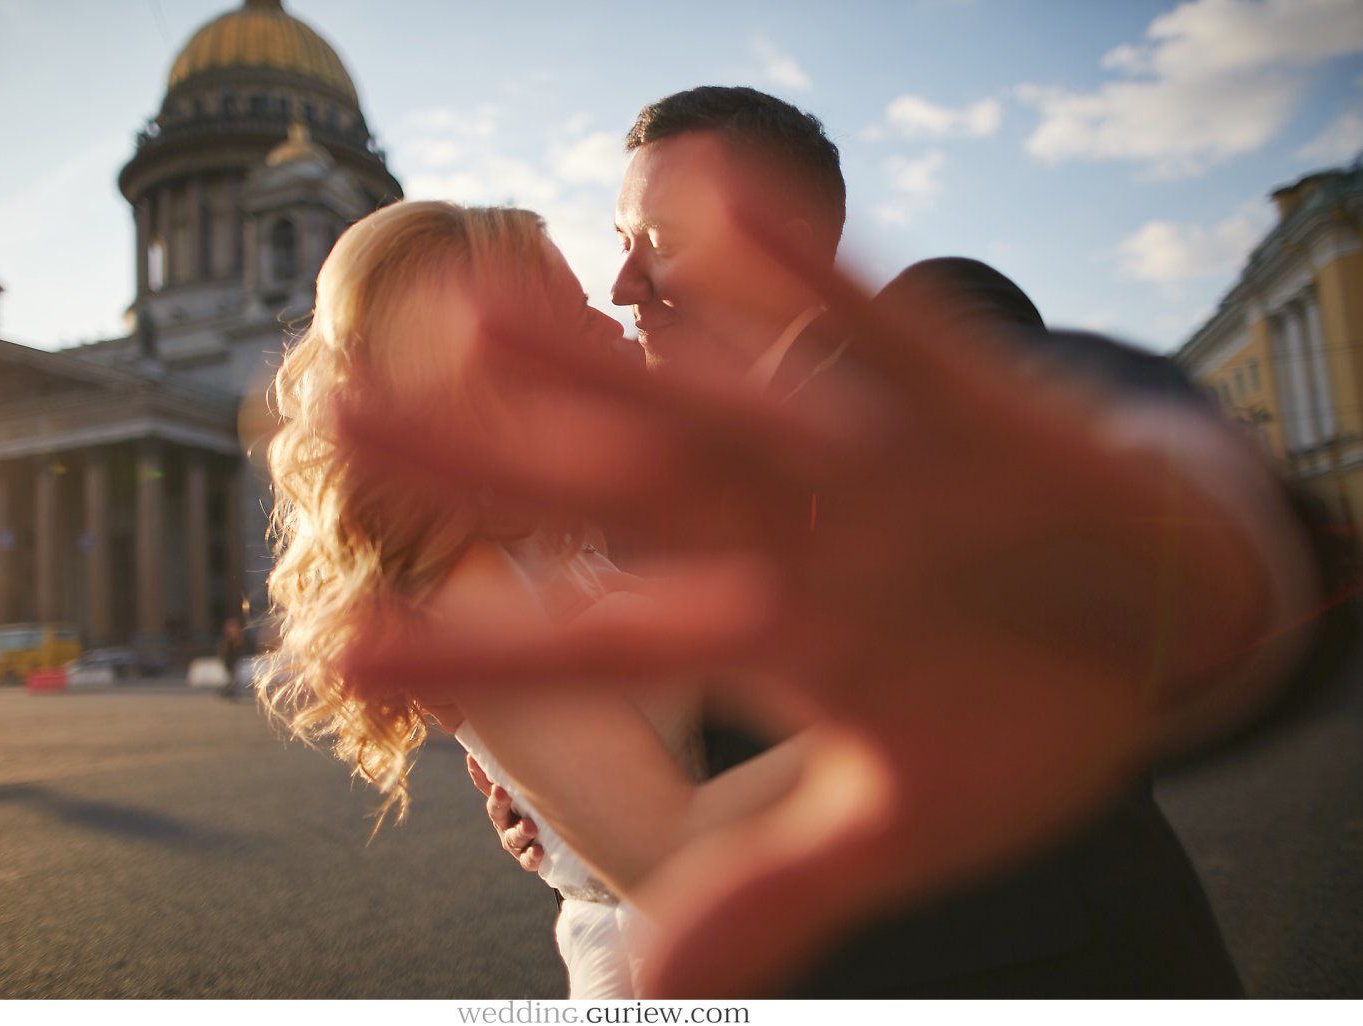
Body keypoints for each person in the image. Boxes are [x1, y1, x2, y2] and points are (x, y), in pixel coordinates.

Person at [344, 87, 1348, 997]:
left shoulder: (932, 332)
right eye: (616, 238)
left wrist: (1214, 535)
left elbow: (1098, 442)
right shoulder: (635, 489)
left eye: (662, 237)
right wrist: (564, 808)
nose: (621, 283)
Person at [258, 199, 816, 999]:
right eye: (565, 311)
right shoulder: (460, 580)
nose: (608, 320)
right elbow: (666, 849)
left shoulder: (546, 531)